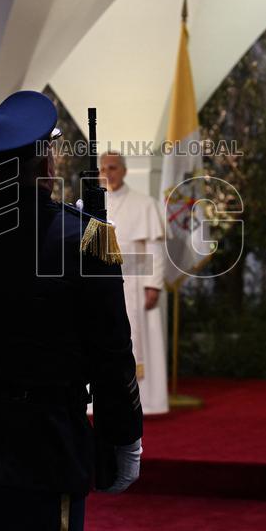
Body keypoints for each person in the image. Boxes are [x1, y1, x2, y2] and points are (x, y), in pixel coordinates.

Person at [0, 91, 143, 531]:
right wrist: (124, 435)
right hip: (42, 447)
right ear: (46, 161)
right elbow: (111, 352)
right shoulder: (82, 238)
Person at [99, 151, 168, 414]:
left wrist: (153, 284)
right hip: (102, 282)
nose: (108, 173)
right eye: (103, 169)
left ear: (124, 171)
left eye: (113, 167)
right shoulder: (94, 205)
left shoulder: (145, 204)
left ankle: (148, 402)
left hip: (137, 283)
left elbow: (155, 248)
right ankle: (99, 400)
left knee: (140, 340)